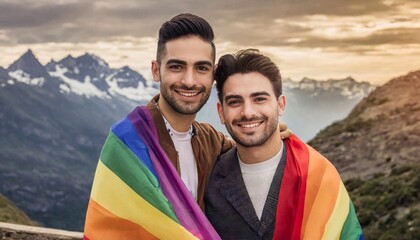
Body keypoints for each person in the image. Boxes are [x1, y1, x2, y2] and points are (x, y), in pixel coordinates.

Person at [83, 14, 289, 240]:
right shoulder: (127, 143)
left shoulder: (211, 141)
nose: (189, 81)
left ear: (212, 76)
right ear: (156, 70)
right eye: (177, 66)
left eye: (201, 68)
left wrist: (272, 135)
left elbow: (248, 150)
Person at [204, 49, 364, 240]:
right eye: (235, 102)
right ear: (221, 112)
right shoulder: (207, 182)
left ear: (280, 105)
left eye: (259, 99)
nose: (247, 112)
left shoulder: (319, 177)